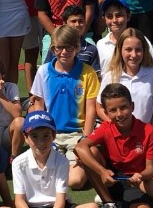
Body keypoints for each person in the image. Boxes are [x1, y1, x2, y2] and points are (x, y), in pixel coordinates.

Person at [0, 111, 99, 208]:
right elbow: (19, 201)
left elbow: (60, 201)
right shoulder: (18, 162)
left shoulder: (62, 161)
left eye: (46, 136)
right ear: (25, 137)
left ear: (54, 136)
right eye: (34, 136)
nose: (41, 142)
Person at [75, 83, 153, 208]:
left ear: (132, 106)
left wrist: (140, 176)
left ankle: (126, 206)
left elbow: (151, 169)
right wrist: (102, 171)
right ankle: (110, 204)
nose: (119, 114)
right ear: (106, 113)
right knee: (89, 152)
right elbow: (80, 147)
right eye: (113, 110)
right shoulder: (105, 128)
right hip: (113, 179)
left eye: (123, 107)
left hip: (137, 182)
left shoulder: (148, 130)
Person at [29, 24, 100, 188]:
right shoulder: (44, 71)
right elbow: (39, 104)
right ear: (53, 49)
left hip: (77, 134)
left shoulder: (87, 72)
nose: (64, 52)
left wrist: (85, 139)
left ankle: (80, 166)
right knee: (39, 176)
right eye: (59, 48)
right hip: (51, 134)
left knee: (75, 181)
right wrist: (43, 134)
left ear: (77, 48)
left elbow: (91, 109)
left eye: (69, 47)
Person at [99, 27, 153, 127]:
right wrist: (115, 125)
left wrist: (152, 135)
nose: (133, 55)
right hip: (118, 135)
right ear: (120, 50)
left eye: (138, 50)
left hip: (144, 135)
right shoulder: (111, 75)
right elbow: (99, 106)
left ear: (144, 50)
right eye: (128, 50)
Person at [96, 0, 153, 69]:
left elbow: (152, 68)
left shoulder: (141, 40)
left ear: (128, 16)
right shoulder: (101, 44)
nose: (114, 20)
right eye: (109, 16)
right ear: (104, 19)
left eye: (119, 15)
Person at [63, 4, 100, 74]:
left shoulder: (92, 49)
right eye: (73, 21)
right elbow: (47, 71)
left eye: (81, 21)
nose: (77, 24)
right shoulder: (57, 47)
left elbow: (96, 75)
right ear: (65, 23)